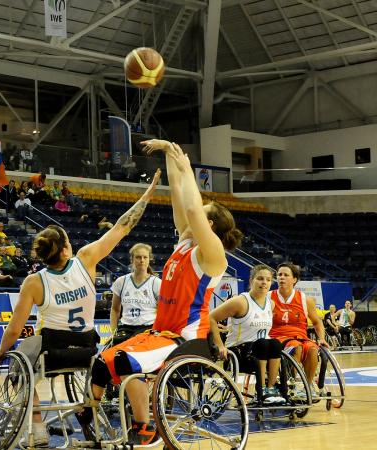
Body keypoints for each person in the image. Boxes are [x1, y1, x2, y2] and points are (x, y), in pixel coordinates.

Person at [0, 167, 161, 447]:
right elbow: (122, 226)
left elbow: (13, 330)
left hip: (52, 354)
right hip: (87, 351)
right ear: (66, 250)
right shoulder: (86, 260)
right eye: (68, 240)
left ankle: (38, 426)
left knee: (19, 363)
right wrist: (149, 193)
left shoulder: (34, 282)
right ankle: (90, 410)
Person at [84, 140, 242, 445]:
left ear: (208, 225)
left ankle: (144, 426)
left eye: (200, 217)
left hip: (185, 338)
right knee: (102, 362)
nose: (189, 217)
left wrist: (188, 171)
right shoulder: (186, 241)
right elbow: (180, 202)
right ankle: (88, 414)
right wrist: (171, 154)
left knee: (123, 362)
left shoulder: (213, 255)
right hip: (161, 332)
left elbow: (194, 207)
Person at [210, 265, 285, 405]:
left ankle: (271, 388)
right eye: (260, 279)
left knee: (275, 343)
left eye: (268, 280)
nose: (264, 282)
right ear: (251, 280)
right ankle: (261, 388)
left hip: (261, 349)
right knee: (263, 344)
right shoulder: (240, 301)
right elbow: (211, 318)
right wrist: (220, 346)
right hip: (238, 351)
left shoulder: (271, 304)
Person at [269, 262, 327, 394]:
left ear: (294, 279)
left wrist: (322, 338)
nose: (281, 277)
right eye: (279, 275)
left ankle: (307, 387)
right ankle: (291, 385)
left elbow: (317, 322)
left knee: (312, 348)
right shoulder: (268, 297)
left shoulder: (305, 299)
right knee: (296, 347)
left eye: (285, 275)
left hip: (301, 337)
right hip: (277, 338)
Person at [110, 243, 161, 342]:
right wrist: (113, 331)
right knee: (115, 353)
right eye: (138, 257)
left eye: (145, 257)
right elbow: (115, 309)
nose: (142, 260)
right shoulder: (121, 281)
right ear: (132, 260)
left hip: (148, 328)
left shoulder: (156, 283)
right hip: (126, 328)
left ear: (149, 259)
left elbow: (162, 311)